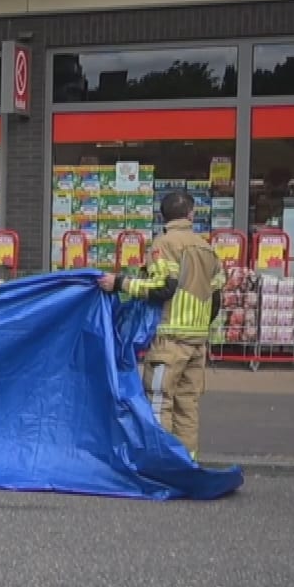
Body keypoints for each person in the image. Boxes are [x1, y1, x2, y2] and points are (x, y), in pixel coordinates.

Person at [99, 190, 225, 458]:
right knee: (187, 405)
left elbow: (163, 287)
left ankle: (161, 463)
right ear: (191, 214)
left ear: (162, 216)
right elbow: (216, 297)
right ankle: (187, 461)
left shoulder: (165, 244)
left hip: (169, 339)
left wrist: (120, 283)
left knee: (159, 401)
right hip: (197, 341)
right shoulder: (208, 249)